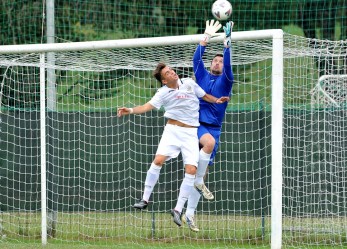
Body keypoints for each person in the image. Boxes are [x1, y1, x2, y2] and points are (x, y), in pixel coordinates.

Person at [117, 62, 229, 227]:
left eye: (171, 70)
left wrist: (217, 100)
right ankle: (145, 199)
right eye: (168, 73)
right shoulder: (162, 93)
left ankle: (177, 210)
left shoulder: (189, 83)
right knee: (158, 160)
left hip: (191, 133)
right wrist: (131, 110)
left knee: (191, 170)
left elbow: (204, 95)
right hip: (172, 131)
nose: (172, 72)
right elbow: (147, 106)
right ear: (164, 80)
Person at [182, 20, 234, 232]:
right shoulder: (201, 76)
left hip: (213, 128)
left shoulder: (226, 81)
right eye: (214, 60)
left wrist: (227, 44)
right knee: (196, 170)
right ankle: (183, 207)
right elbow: (196, 60)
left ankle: (189, 213)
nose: (217, 63)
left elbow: (229, 66)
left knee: (198, 175)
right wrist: (204, 39)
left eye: (220, 61)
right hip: (195, 126)